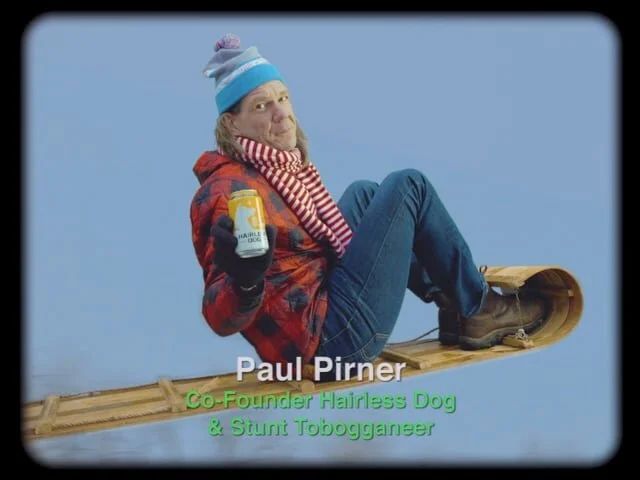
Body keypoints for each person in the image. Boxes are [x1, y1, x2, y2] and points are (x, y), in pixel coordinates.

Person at [190, 34, 550, 382]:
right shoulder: (229, 192)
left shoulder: (272, 169)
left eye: (283, 98)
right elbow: (218, 317)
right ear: (231, 123)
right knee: (409, 186)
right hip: (328, 343)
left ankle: (454, 305)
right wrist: (246, 282)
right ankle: (480, 307)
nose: (282, 114)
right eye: (261, 106)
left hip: (321, 307)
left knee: (364, 194)